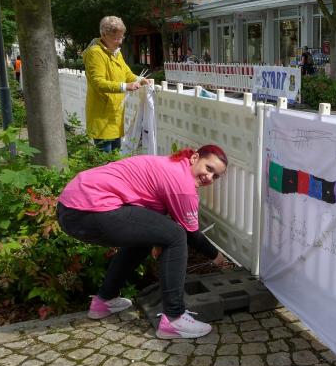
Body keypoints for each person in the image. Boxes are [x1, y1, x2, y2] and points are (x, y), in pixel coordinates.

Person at [57, 145, 229, 339]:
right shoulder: (183, 185)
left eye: (215, 176)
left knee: (146, 239)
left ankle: (104, 301)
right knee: (177, 236)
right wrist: (217, 256)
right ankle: (174, 319)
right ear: (195, 158)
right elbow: (191, 234)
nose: (209, 177)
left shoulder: (172, 165)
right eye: (208, 168)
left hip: (68, 208)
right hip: (90, 209)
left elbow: (147, 218)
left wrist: (157, 240)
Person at [83, 16, 146, 153]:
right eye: (116, 38)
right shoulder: (95, 53)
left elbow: (126, 73)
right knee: (105, 158)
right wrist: (125, 86)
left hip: (115, 112)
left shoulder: (116, 52)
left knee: (115, 156)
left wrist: (140, 79)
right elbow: (98, 82)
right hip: (102, 114)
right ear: (104, 35)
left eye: (121, 37)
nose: (120, 41)